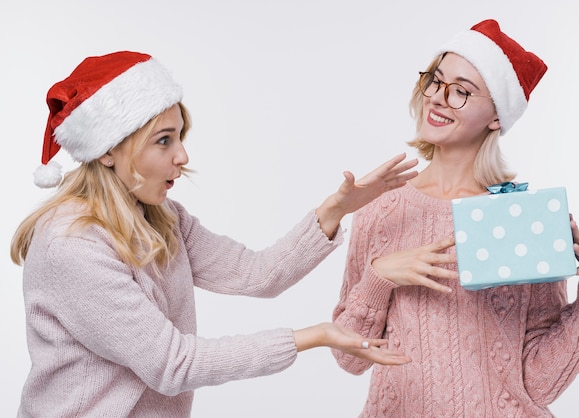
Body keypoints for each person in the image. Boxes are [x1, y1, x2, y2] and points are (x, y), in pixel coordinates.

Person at [10, 50, 416, 417]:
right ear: (107, 150)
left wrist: (335, 209)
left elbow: (256, 274)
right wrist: (311, 336)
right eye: (163, 141)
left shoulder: (163, 218)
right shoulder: (72, 245)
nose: (182, 156)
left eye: (180, 136)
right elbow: (173, 364)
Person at [331, 19, 579, 417]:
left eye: (462, 92)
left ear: (496, 117)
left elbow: (540, 385)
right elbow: (351, 359)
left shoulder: (523, 218)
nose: (438, 97)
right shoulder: (381, 209)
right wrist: (378, 277)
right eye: (436, 80)